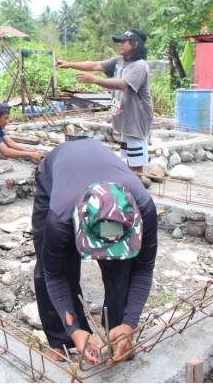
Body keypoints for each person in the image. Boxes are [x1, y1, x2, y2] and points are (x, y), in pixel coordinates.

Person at [31, 138, 157, 364]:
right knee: (51, 264)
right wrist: (73, 329)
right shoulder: (60, 218)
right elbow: (54, 275)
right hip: (56, 172)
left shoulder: (144, 209)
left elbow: (144, 270)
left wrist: (130, 322)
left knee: (123, 267)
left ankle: (119, 335)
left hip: (97, 166)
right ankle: (62, 341)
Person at [57, 28, 153, 174]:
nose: (119, 44)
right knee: (128, 160)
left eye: (123, 42)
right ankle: (130, 192)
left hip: (136, 122)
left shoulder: (139, 66)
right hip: (126, 122)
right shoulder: (120, 61)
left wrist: (95, 80)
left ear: (135, 44)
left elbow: (123, 84)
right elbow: (95, 65)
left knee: (136, 165)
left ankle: (136, 194)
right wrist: (70, 64)